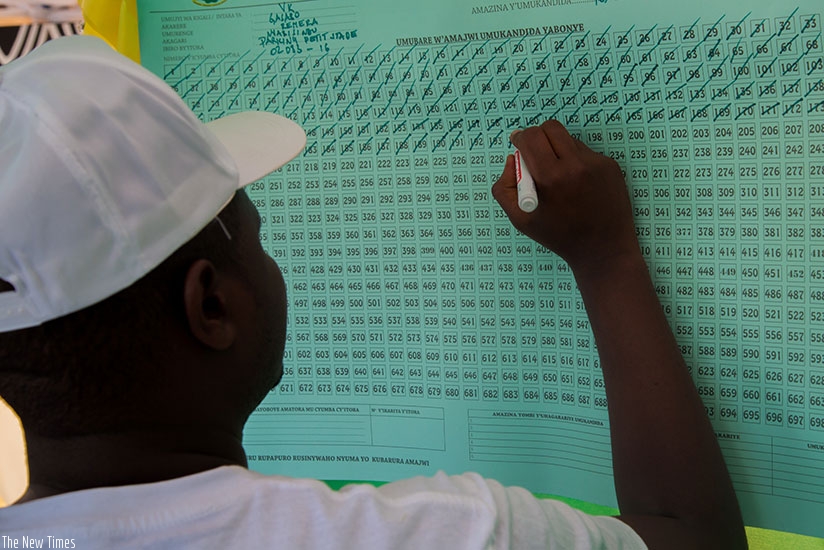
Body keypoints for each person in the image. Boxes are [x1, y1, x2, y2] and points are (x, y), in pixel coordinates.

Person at [0, 35, 746, 549]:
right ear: (212, 306)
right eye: (254, 235)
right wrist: (606, 259)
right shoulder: (438, 535)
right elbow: (693, 536)